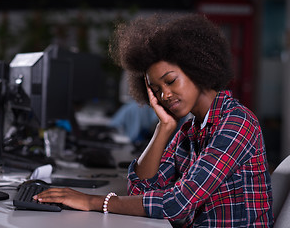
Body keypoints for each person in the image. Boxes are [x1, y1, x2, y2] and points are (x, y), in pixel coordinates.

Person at [33, 13, 274, 227]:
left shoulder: (237, 123)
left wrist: (92, 201)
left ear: (197, 68)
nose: (164, 95)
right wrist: (164, 127)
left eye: (170, 81)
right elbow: (139, 189)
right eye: (155, 89)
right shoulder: (189, 131)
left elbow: (177, 204)